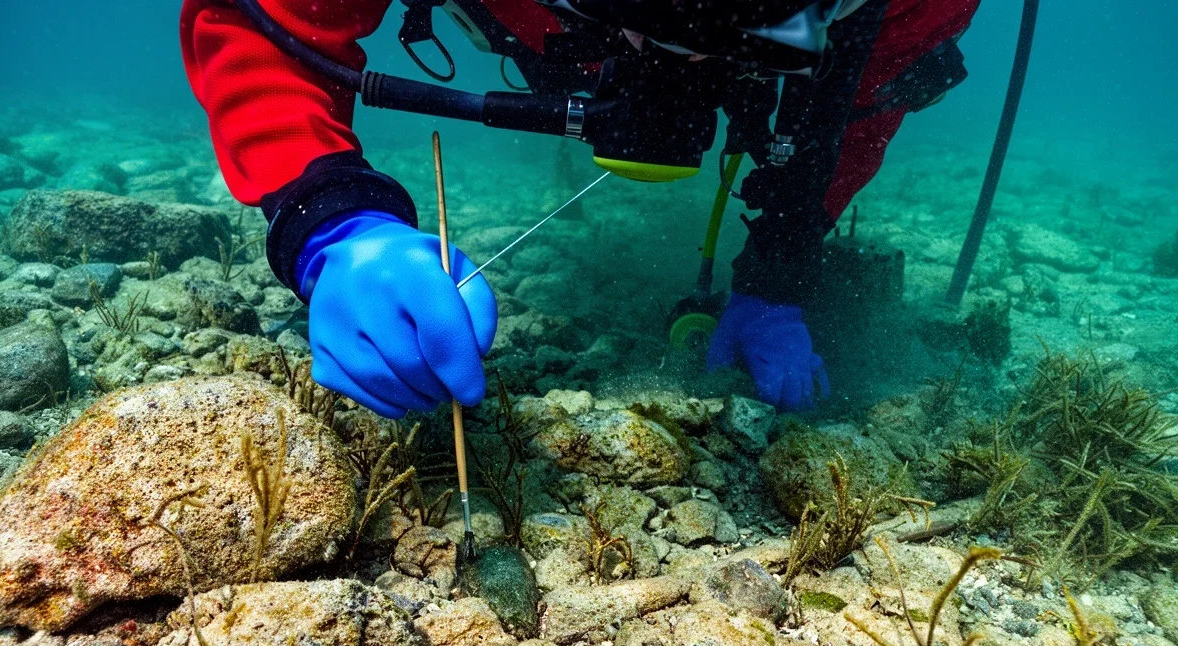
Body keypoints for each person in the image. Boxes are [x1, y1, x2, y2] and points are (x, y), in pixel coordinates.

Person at [180, 0, 979, 417]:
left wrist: (779, 266)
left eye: (758, 9)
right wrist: (332, 222)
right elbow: (265, 27)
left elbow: (858, 113)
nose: (681, 50)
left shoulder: (913, 5)